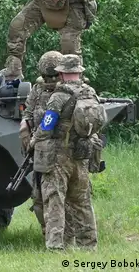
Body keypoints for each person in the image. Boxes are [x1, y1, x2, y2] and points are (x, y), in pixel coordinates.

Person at [30, 54, 99, 251]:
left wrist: (34, 140)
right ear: (79, 72)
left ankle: (55, 247)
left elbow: (46, 126)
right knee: (82, 202)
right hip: (82, 154)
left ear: (61, 73)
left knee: (55, 200)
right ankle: (89, 246)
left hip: (59, 157)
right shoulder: (90, 93)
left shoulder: (59, 96)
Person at [19, 51, 63, 232]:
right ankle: (47, 230)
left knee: (60, 195)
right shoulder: (37, 90)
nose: (50, 80)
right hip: (40, 151)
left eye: (54, 76)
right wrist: (25, 128)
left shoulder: (67, 91)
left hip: (62, 151)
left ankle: (64, 232)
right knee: (38, 196)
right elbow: (28, 112)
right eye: (47, 76)